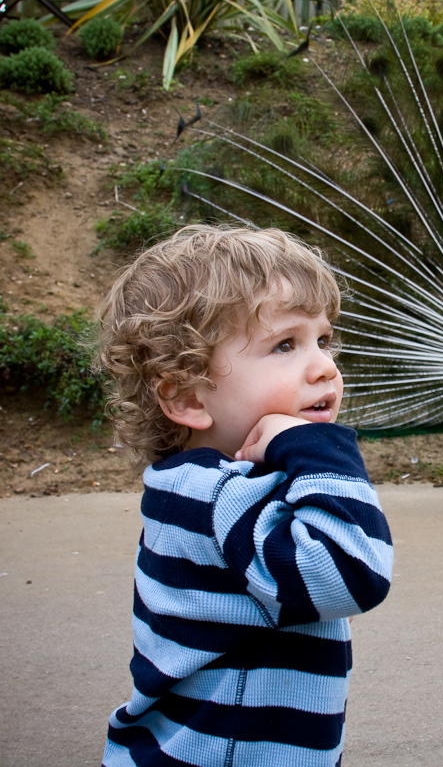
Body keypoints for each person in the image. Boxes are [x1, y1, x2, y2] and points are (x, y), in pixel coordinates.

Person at [96, 224, 393, 767]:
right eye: (285, 344)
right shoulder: (216, 499)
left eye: (323, 340)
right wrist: (318, 448)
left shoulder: (201, 487)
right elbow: (352, 573)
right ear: (187, 396)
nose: (325, 366)